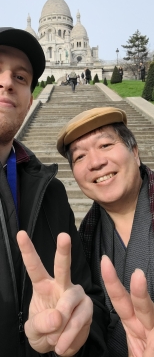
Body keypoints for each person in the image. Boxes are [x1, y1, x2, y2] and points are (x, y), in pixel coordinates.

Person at [0, 27, 109, 357]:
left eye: (21, 77)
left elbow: (88, 300)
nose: (7, 81)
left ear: (30, 99)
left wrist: (72, 332)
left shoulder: (50, 191)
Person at [57, 106, 154, 357]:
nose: (96, 162)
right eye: (79, 157)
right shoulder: (85, 239)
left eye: (105, 146)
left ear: (135, 152)